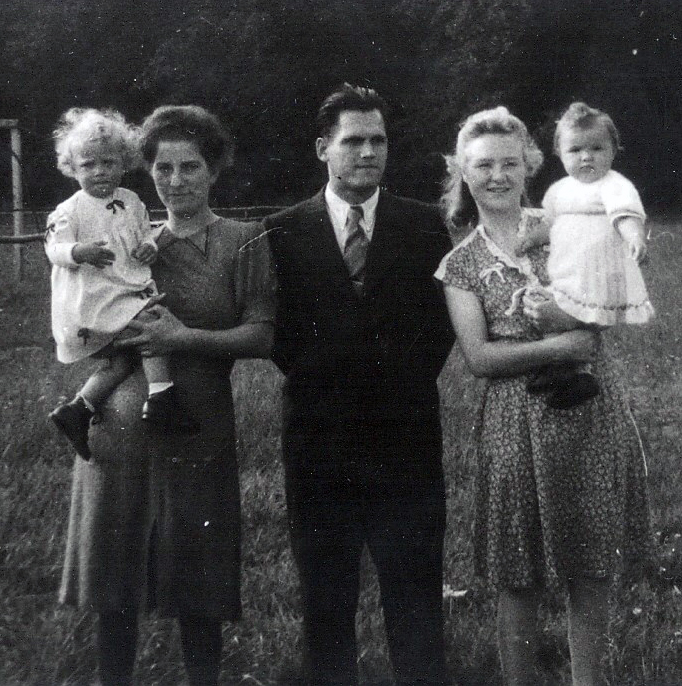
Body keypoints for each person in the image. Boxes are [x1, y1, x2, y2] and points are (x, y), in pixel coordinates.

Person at [58, 104, 275, 686]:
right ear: (146, 172)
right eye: (163, 168)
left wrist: (185, 337)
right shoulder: (130, 243)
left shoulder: (242, 240)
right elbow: (88, 318)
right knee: (114, 584)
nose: (175, 181)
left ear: (214, 169)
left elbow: (262, 333)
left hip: (197, 425)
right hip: (116, 430)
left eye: (190, 167)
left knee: (197, 580)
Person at [435, 106, 652, 685]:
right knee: (517, 568)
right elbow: (479, 358)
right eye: (484, 165)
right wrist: (563, 345)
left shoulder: (571, 221)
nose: (498, 176)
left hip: (589, 410)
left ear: (532, 162)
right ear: (463, 171)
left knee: (591, 561)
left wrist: (578, 329)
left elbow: (613, 297)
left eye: (510, 162)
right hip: (514, 421)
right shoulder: (461, 264)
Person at [264, 83, 455, 685]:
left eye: (378, 140)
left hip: (406, 439)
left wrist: (394, 383)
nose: (368, 152)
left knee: (415, 594)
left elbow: (440, 329)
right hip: (319, 443)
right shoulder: (281, 231)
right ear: (324, 148)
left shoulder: (426, 226)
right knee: (325, 598)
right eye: (354, 141)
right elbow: (279, 333)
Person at [45, 107, 198, 461]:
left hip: (122, 292)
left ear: (124, 163)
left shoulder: (131, 201)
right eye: (88, 165)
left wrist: (147, 246)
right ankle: (162, 398)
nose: (99, 172)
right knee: (153, 323)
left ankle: (78, 409)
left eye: (108, 163)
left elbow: (143, 234)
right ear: (72, 167)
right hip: (93, 302)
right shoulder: (70, 210)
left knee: (123, 361)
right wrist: (78, 251)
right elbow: (53, 247)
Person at [525, 101, 655, 409]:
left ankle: (572, 370)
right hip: (570, 270)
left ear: (613, 150)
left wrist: (635, 239)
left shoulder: (614, 185)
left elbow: (626, 217)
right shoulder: (559, 190)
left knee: (567, 316)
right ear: (559, 153)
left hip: (599, 273)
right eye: (575, 150)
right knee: (549, 310)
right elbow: (550, 223)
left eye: (596, 148)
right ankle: (568, 372)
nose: (586, 156)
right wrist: (529, 239)